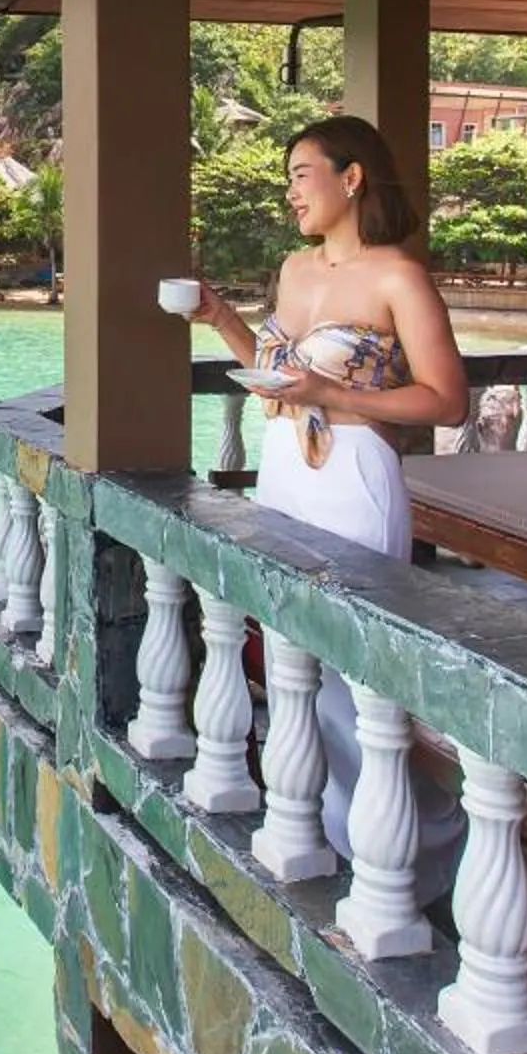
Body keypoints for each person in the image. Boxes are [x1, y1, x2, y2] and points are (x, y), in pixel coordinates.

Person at [191, 115, 470, 872]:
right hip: (284, 470)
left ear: (352, 179)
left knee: (355, 681)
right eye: (287, 179)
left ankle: (408, 853)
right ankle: (322, 835)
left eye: (301, 174)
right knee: (291, 670)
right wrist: (220, 319)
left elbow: (447, 401)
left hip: (353, 480)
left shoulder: (396, 277)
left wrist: (337, 398)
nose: (290, 193)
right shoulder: (293, 269)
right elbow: (280, 375)